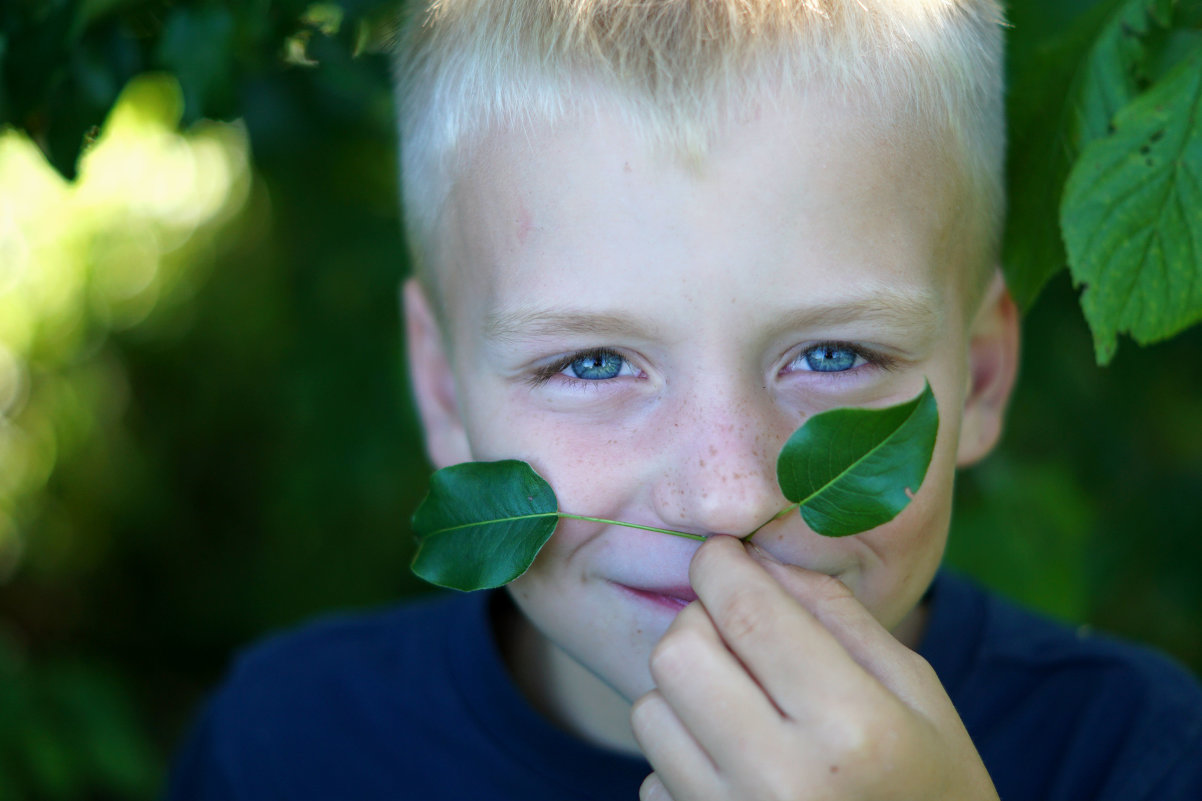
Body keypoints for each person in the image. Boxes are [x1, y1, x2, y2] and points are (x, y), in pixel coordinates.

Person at [167, 1, 1202, 798]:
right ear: (441, 388)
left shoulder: (1133, 756)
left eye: (833, 353)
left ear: (976, 377)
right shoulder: (288, 749)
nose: (723, 499)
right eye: (591, 365)